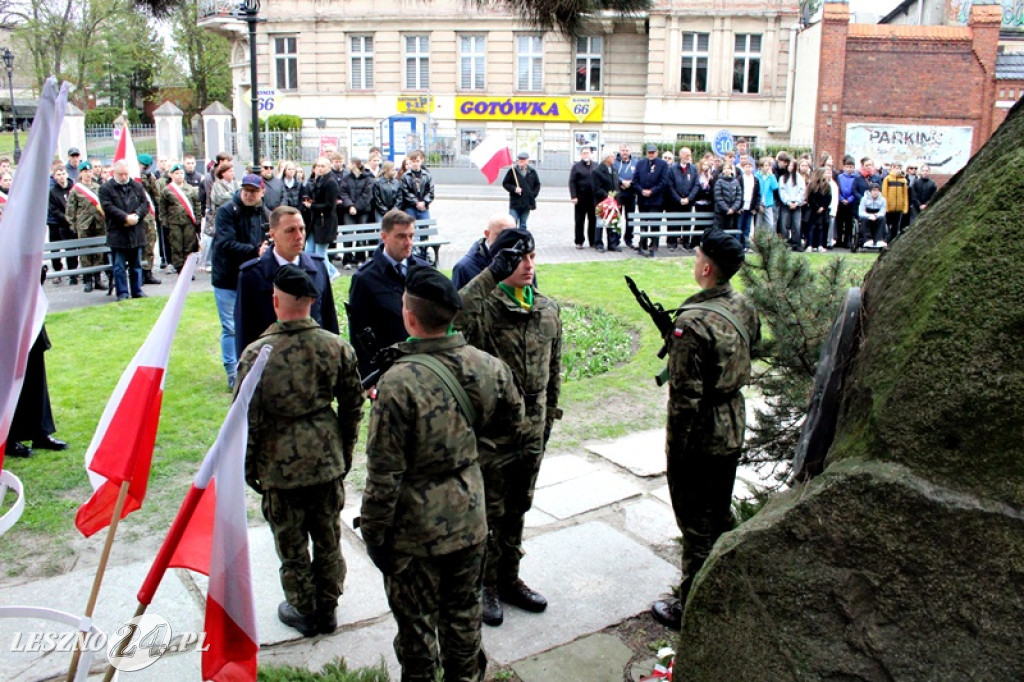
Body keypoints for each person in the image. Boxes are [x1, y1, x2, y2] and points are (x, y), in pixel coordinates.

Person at [360, 264, 526, 682]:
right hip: (471, 520)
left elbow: (383, 477)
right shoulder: (489, 367)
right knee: (464, 620)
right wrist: (471, 457)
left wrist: (375, 537)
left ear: (410, 317)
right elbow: (517, 430)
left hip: (414, 535)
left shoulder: (397, 385)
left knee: (417, 635)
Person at [237, 264, 364, 638]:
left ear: (275, 301)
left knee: (291, 543)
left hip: (279, 465)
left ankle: (303, 607)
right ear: (311, 301)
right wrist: (344, 450)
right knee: (328, 537)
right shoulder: (335, 347)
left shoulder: (257, 354)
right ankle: (328, 607)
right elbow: (354, 406)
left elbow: (245, 418)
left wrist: (249, 467)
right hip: (326, 459)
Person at [650, 228, 761, 631]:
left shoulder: (691, 323)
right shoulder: (743, 306)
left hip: (700, 435)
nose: (695, 261)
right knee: (717, 511)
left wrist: (676, 452)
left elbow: (684, 399)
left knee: (695, 524)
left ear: (707, 266)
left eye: (698, 256)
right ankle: (721, 584)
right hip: (732, 423)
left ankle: (692, 607)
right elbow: (755, 346)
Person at [454, 228, 562, 628]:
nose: (529, 265)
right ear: (500, 262)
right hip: (493, 433)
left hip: (532, 429)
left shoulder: (548, 308)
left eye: (532, 257)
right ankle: (484, 584)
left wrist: (548, 420)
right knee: (490, 511)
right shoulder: (484, 306)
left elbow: (554, 372)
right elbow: (454, 316)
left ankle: (509, 577)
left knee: (519, 507)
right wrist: (488, 276)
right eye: (519, 258)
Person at [236, 205, 339, 354]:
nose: (299, 236)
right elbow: (244, 333)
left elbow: (329, 320)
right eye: (290, 230)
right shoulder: (252, 276)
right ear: (273, 235)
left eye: (302, 229)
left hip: (316, 362)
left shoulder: (317, 267)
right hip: (274, 365)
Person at [347, 209, 429, 379]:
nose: (408, 242)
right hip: (387, 372)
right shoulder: (364, 279)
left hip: (424, 366)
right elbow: (359, 335)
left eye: (411, 236)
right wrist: (368, 377)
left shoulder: (423, 270)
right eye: (401, 236)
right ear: (384, 237)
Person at [212, 173, 268, 390]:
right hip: (227, 276)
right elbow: (225, 244)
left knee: (254, 324)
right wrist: (256, 251)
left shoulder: (263, 212)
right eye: (246, 190)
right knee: (230, 327)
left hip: (253, 277)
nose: (249, 194)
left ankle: (253, 368)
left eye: (253, 191)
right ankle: (232, 371)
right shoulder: (227, 211)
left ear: (262, 192)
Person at [8, 324, 68, 458]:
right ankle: (9, 437)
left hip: (28, 312)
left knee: (35, 367)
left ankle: (40, 432)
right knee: (7, 372)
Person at [99, 160, 151, 301]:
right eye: (120, 174)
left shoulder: (137, 186)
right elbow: (108, 207)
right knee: (119, 266)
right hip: (118, 233)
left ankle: (137, 290)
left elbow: (145, 204)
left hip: (136, 232)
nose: (123, 177)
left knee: (136, 265)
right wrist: (125, 218)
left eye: (126, 174)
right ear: (114, 173)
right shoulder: (106, 188)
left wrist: (136, 216)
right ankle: (122, 292)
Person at [67, 160, 107, 292]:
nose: (88, 174)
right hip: (84, 224)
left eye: (89, 171)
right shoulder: (76, 190)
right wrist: (72, 225)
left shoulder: (98, 187)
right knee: (85, 253)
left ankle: (98, 279)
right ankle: (88, 280)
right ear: (81, 173)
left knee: (98, 252)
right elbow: (70, 209)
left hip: (99, 224)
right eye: (85, 172)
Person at [451, 213, 514, 289]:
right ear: (487, 234)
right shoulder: (464, 268)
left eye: (511, 235)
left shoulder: (522, 262)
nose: (506, 241)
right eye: (500, 235)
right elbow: (457, 300)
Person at [159, 163, 202, 274]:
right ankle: (180, 269)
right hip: (174, 223)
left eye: (181, 173)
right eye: (177, 173)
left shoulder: (191, 189)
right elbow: (162, 208)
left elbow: (197, 204)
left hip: (189, 222)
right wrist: (164, 222)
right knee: (176, 246)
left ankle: (188, 270)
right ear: (171, 175)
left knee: (189, 246)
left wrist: (198, 219)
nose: (179, 176)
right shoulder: (167, 190)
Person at [303, 157, 340, 280]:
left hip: (325, 222)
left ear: (329, 167)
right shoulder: (318, 180)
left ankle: (327, 275)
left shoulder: (330, 182)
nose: (319, 168)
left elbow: (330, 205)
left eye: (322, 166)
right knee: (309, 250)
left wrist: (312, 206)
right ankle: (317, 274)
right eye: (318, 166)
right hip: (315, 221)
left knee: (320, 253)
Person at [339, 157, 375, 269]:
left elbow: (367, 195)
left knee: (361, 235)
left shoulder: (368, 178)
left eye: (349, 163)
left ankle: (360, 258)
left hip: (363, 211)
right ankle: (347, 260)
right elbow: (343, 193)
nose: (347, 165)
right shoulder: (346, 178)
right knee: (348, 235)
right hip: (348, 210)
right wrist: (350, 205)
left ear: (355, 165)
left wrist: (356, 207)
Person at [634, 144, 669, 257]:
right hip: (643, 199)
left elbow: (664, 182)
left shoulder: (663, 164)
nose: (651, 154)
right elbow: (635, 180)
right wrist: (641, 190)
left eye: (653, 152)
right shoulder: (640, 163)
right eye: (649, 152)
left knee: (654, 223)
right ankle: (642, 244)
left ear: (657, 152)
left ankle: (653, 245)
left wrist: (652, 191)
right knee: (643, 223)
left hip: (656, 199)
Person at [47, 163, 78, 285]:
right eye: (58, 175)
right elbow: (53, 209)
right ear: (54, 177)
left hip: (73, 223)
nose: (61, 177)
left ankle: (73, 273)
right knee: (56, 248)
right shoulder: (53, 192)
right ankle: (58, 271)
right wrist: (66, 218)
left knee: (73, 248)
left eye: (63, 174)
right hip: (58, 223)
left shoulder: (74, 188)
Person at [568, 146, 598, 249]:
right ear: (581, 155)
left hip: (593, 199)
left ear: (591, 154)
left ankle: (593, 241)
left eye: (588, 153)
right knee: (579, 220)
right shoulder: (576, 167)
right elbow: (572, 182)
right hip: (580, 198)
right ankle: (579, 241)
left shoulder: (595, 166)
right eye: (584, 153)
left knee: (593, 220)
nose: (586, 155)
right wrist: (573, 196)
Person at [502, 151, 541, 230]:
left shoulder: (532, 172)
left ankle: (522, 240)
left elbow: (537, 184)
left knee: (523, 224)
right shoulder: (513, 171)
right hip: (515, 203)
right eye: (519, 159)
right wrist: (514, 189)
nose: (521, 161)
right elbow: (505, 183)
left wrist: (532, 195)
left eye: (523, 159)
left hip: (527, 203)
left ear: (527, 160)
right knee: (512, 223)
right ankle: (512, 239)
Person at [594, 148, 620, 252]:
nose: (614, 158)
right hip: (602, 201)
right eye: (612, 156)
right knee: (600, 223)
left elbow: (616, 186)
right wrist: (607, 196)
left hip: (612, 202)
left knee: (612, 222)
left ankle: (612, 244)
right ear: (606, 158)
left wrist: (617, 199)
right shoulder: (597, 171)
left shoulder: (613, 169)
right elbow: (596, 188)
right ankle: (598, 244)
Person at [613, 144, 638, 248]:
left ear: (630, 151)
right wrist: (622, 181)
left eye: (627, 150)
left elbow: (638, 175)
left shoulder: (636, 162)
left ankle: (629, 239)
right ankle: (615, 240)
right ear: (619, 151)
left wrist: (630, 182)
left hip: (631, 194)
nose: (625, 152)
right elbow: (613, 174)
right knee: (617, 218)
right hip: (618, 194)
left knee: (630, 218)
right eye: (623, 150)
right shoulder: (615, 162)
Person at [399, 149, 434, 221]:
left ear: (422, 160)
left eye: (417, 161)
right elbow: (406, 192)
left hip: (424, 207)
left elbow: (430, 191)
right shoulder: (405, 176)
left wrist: (424, 202)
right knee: (410, 228)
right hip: (410, 207)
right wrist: (416, 202)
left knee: (425, 229)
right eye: (413, 161)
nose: (415, 164)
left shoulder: (427, 175)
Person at [804, 167, 832, 253]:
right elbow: (810, 198)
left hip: (823, 210)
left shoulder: (827, 186)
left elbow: (829, 198)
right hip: (813, 210)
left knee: (821, 228)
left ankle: (820, 245)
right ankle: (810, 245)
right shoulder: (812, 185)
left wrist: (823, 207)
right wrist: (816, 207)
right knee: (812, 227)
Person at [736, 158, 761, 251]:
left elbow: (758, 195)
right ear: (743, 168)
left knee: (747, 228)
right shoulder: (740, 179)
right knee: (739, 227)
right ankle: (738, 246)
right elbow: (737, 193)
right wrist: (738, 207)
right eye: (746, 167)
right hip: (741, 207)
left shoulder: (755, 180)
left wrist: (756, 208)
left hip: (750, 207)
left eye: (750, 167)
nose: (748, 169)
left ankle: (746, 245)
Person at [881, 162, 909, 242]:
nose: (898, 170)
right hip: (889, 207)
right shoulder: (887, 179)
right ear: (892, 168)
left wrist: (905, 207)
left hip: (899, 208)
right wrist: (885, 206)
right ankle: (886, 241)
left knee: (896, 227)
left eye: (899, 168)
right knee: (887, 226)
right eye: (896, 168)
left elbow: (905, 195)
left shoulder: (903, 180)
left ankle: (893, 242)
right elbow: (884, 193)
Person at [712, 163, 741, 234]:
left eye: (728, 168)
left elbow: (738, 197)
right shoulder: (719, 182)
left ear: (731, 170)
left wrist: (733, 209)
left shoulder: (736, 182)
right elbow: (718, 197)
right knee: (718, 233)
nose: (727, 170)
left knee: (728, 234)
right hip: (720, 213)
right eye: (725, 168)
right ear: (722, 171)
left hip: (731, 213)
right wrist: (726, 209)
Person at [858, 182, 888, 248]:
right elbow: (861, 212)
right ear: (870, 191)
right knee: (864, 219)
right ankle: (867, 240)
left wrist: (876, 216)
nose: (875, 192)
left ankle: (879, 240)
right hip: (867, 216)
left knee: (882, 219)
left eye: (877, 190)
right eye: (874, 190)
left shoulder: (883, 200)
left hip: (877, 216)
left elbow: (883, 212)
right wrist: (869, 216)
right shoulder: (864, 199)